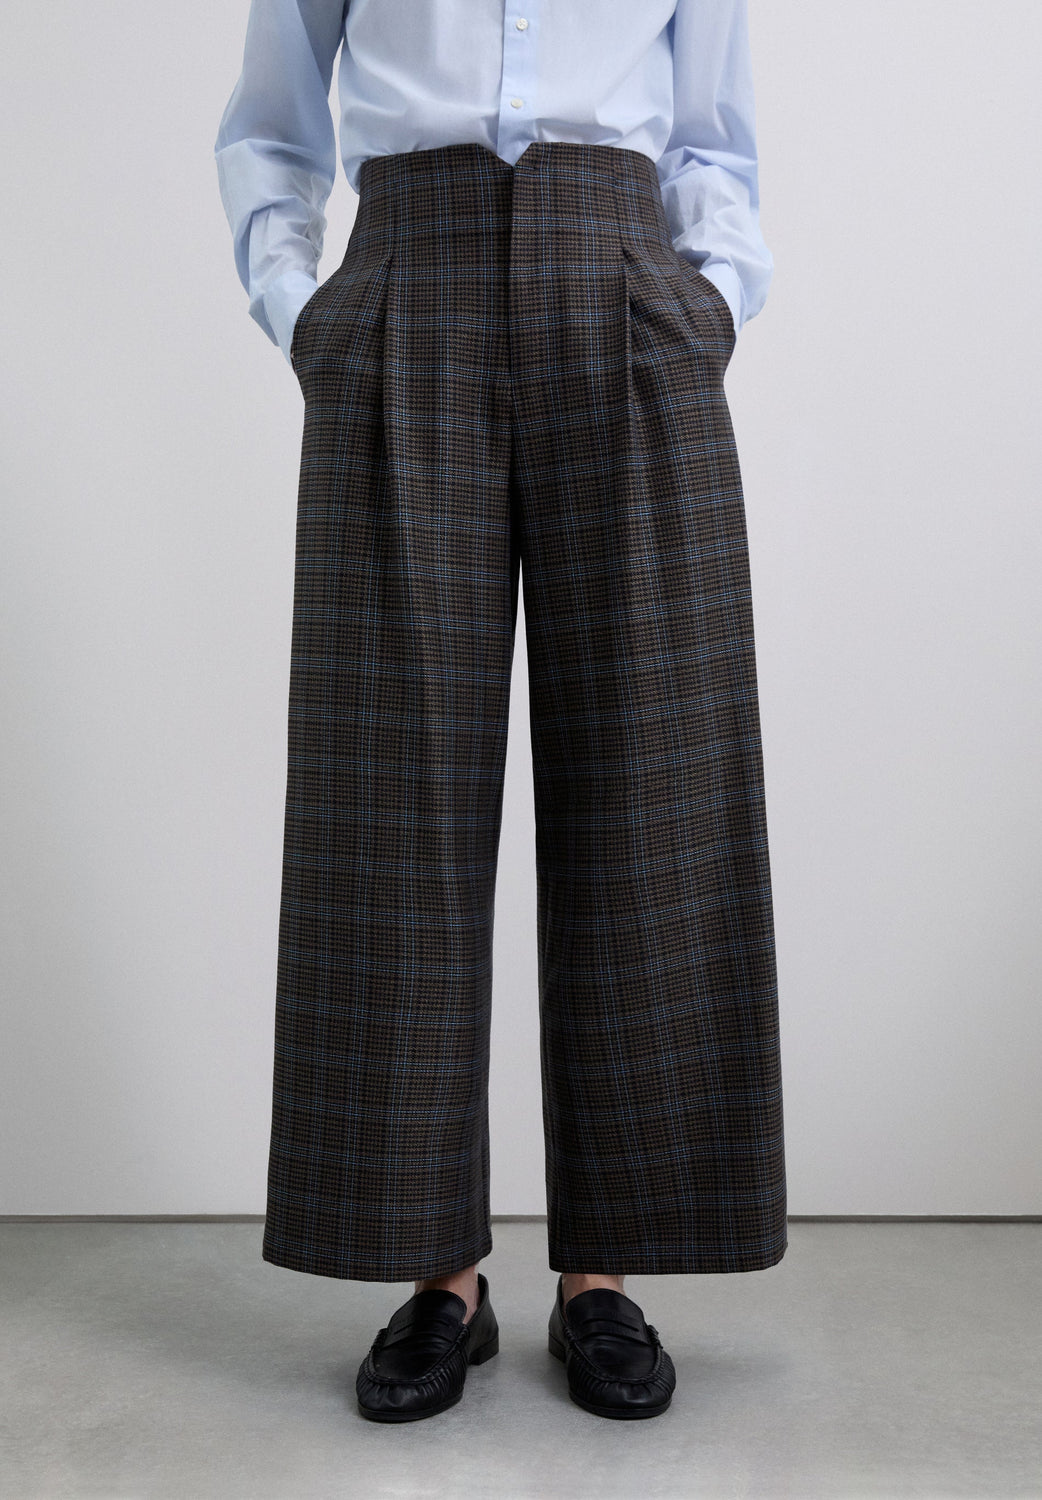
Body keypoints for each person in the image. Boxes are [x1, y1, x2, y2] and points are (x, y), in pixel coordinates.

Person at [215, 0, 787, 1424]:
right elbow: (271, 125)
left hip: (624, 285)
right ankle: (439, 1276)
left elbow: (714, 140)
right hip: (409, 283)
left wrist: (708, 300)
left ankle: (602, 1274)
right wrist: (304, 309)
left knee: (653, 781)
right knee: (391, 790)